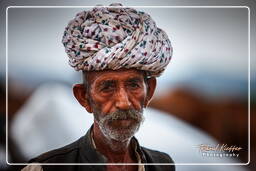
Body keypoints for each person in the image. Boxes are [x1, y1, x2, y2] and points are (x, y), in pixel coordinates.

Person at [22, 3, 175, 171]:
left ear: (149, 92)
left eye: (133, 85)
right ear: (84, 97)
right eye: (107, 87)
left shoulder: (163, 164)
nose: (124, 103)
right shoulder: (46, 168)